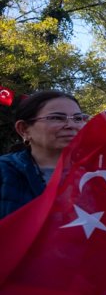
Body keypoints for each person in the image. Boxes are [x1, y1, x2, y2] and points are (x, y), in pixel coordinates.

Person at [0, 90, 88, 219]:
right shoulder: (4, 171)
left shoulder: (97, 173)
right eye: (56, 118)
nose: (71, 125)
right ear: (23, 129)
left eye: (78, 118)